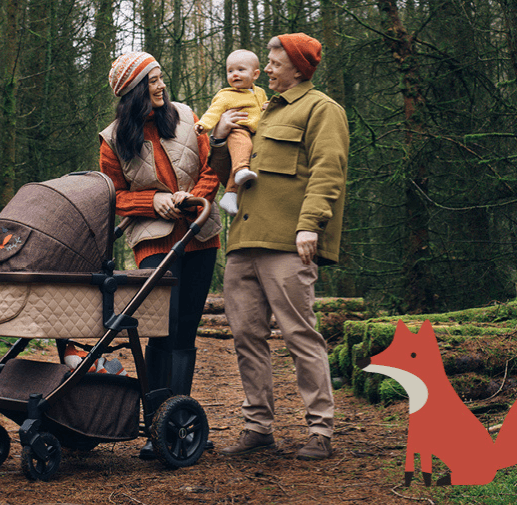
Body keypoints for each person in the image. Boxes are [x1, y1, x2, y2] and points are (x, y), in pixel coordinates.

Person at [208, 33, 348, 461]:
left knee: (299, 334)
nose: (266, 69)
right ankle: (258, 428)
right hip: (243, 242)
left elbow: (329, 171)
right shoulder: (260, 110)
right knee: (246, 336)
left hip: (288, 242)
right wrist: (219, 137)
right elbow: (223, 174)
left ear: (298, 67)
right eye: (267, 62)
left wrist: (310, 227)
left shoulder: (322, 109)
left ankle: (320, 431)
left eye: (274, 62)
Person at [99, 52, 222, 459]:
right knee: (159, 328)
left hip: (200, 234)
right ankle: (156, 425)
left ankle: (178, 424)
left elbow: (211, 166)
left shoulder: (187, 116)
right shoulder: (113, 139)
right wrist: (154, 201)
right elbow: (114, 195)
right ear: (133, 90)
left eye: (161, 78)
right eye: (152, 80)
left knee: (186, 327)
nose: (161, 86)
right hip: (154, 242)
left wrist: (193, 198)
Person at [194, 49, 268, 216]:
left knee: (247, 151)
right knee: (243, 146)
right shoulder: (226, 95)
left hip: (254, 132)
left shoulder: (260, 92)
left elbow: (263, 107)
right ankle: (241, 170)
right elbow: (213, 112)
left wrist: (268, 107)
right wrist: (203, 125)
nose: (235, 74)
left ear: (255, 74)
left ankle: (230, 194)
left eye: (241, 70)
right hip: (237, 129)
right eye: (230, 71)